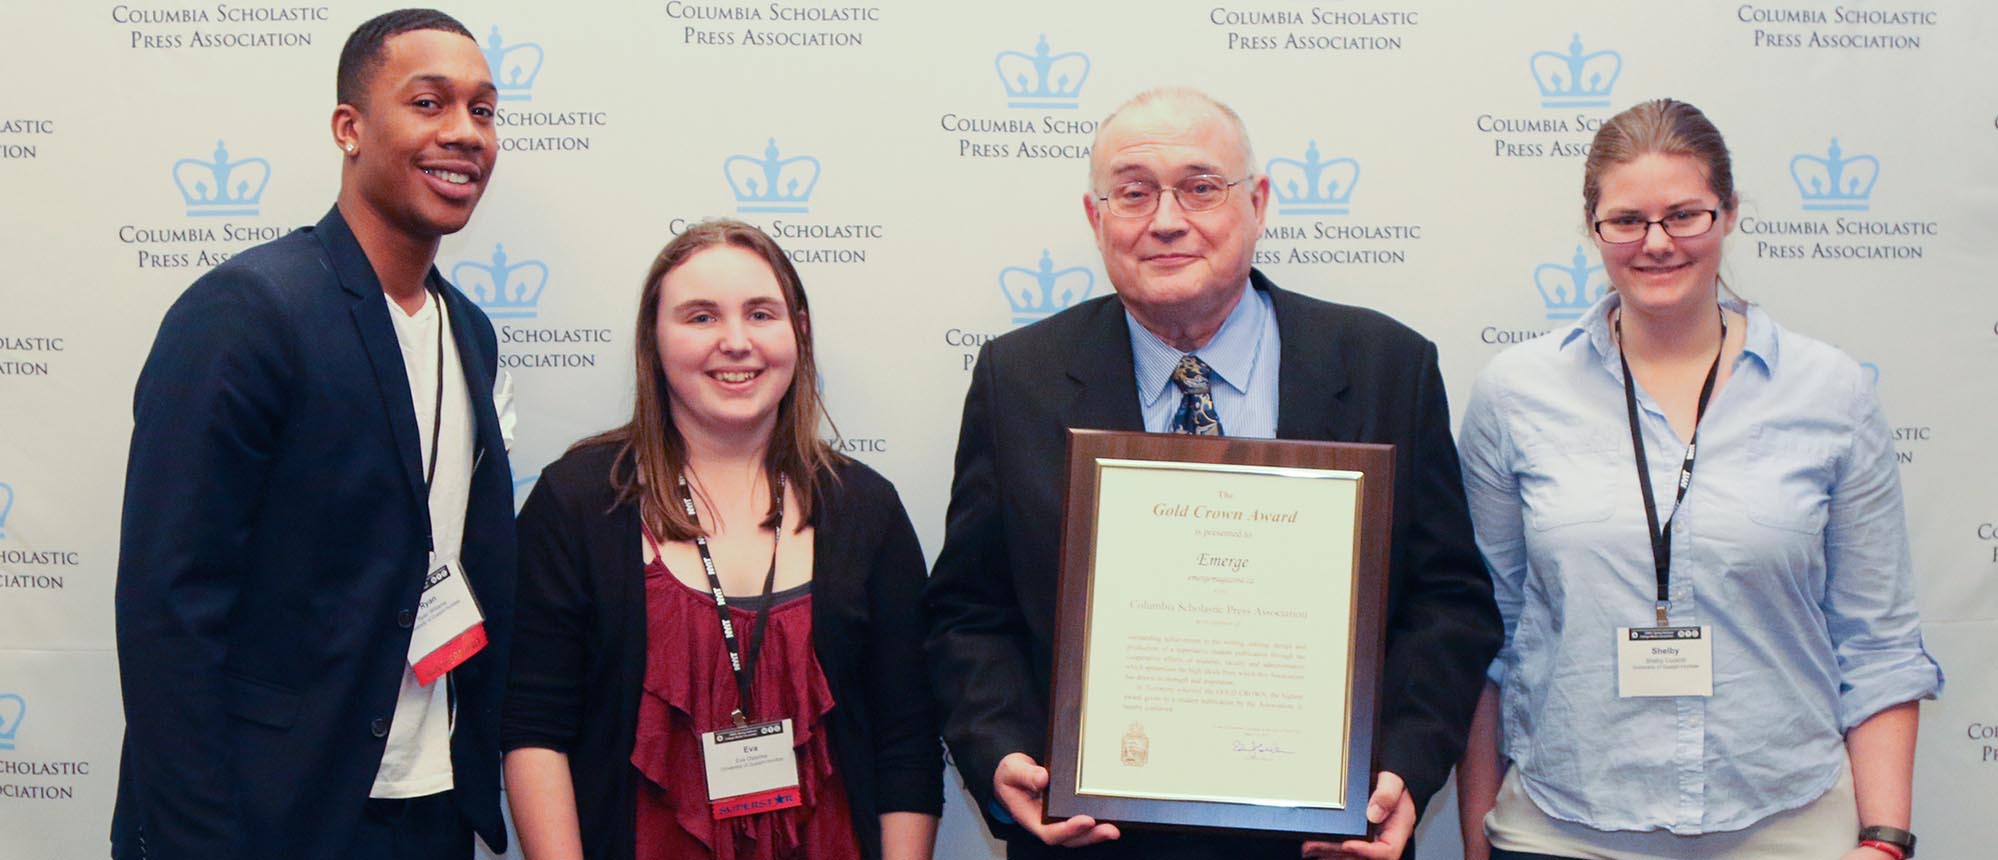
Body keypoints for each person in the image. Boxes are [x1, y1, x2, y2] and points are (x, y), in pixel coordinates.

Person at [924, 87, 1502, 860]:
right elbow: (969, 612)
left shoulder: (1384, 367)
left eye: (1201, 188)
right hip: (1094, 841)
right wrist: (1003, 753)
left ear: (1258, 204)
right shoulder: (1018, 377)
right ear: (1097, 220)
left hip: (1324, 841)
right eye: (1133, 193)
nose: (1166, 220)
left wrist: (1402, 765)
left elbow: (1448, 604)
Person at [1453, 98, 1943, 860]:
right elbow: (1487, 632)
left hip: (1787, 826)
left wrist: (1884, 841)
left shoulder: (1830, 392)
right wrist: (1478, 837)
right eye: (1628, 220)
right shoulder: (1515, 394)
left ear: (1730, 215)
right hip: (1562, 828)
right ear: (1593, 226)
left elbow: (1876, 641)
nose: (1657, 244)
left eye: (1685, 215)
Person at [112, 9, 517, 860]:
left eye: (483, 110)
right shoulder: (248, 313)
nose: (463, 133)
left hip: (430, 802)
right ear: (350, 128)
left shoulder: (471, 333)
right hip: (273, 812)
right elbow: (168, 615)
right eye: (430, 102)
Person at [501, 220, 942, 860]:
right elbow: (535, 731)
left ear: (799, 330)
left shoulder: (866, 510)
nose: (735, 342)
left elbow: (906, 742)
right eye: (701, 317)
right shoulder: (578, 502)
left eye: (760, 314)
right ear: (654, 340)